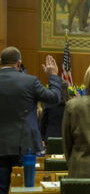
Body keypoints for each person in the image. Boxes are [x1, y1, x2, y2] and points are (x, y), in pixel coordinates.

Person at [0, 47, 61, 194]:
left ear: (1, 62)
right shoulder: (30, 81)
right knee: (23, 188)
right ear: (19, 64)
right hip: (24, 147)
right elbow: (54, 98)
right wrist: (53, 75)